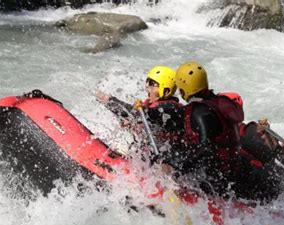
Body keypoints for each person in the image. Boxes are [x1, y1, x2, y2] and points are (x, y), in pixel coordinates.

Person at [171, 61, 244, 197]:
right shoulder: (217, 101)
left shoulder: (199, 112)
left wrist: (178, 169)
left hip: (216, 179)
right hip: (232, 169)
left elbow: (206, 149)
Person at [96, 65, 184, 159]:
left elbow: (136, 113)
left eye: (152, 83)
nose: (147, 86)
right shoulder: (152, 104)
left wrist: (109, 100)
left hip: (169, 156)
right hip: (149, 150)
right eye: (147, 81)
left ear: (165, 91)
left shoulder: (168, 108)